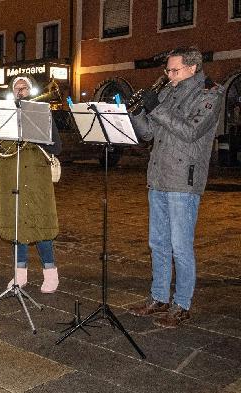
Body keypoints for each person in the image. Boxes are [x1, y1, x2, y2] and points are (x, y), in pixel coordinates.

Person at [127, 47, 223, 328]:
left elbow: (191, 131)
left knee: (181, 246)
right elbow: (148, 134)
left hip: (184, 178)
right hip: (158, 176)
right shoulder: (169, 91)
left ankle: (182, 304)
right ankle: (158, 297)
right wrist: (136, 112)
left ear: (192, 68)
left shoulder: (209, 92)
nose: (168, 75)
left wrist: (156, 107)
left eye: (174, 70)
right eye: (167, 70)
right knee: (157, 242)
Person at [0, 77, 61, 293]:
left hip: (36, 180)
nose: (20, 91)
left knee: (41, 226)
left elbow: (57, 147)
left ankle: (51, 274)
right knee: (16, 227)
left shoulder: (42, 113)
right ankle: (19, 275)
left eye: (24, 88)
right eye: (16, 88)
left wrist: (36, 133)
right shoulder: (4, 113)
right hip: (10, 178)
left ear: (31, 91)